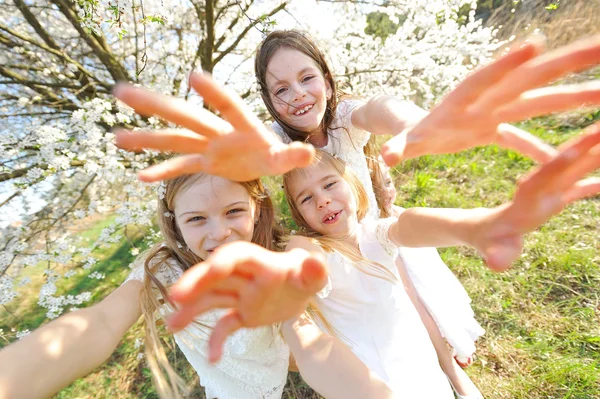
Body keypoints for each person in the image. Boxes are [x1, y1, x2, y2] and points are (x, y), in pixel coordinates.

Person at [166, 134, 600, 397]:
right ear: (299, 215)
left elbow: (413, 226)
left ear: (353, 187)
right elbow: (304, 260)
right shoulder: (312, 247)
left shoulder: (380, 235)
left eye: (329, 184)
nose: (323, 200)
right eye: (306, 198)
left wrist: (480, 225)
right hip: (373, 383)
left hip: (419, 367)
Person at [0, 173, 394, 399]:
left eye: (234, 212)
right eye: (197, 220)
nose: (219, 233)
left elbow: (308, 341)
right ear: (175, 225)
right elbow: (100, 323)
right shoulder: (165, 272)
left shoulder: (276, 253)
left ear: (257, 207)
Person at [113, 33, 600, 194]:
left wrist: (416, 125)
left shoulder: (347, 113)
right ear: (266, 99)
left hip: (385, 224)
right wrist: (247, 166)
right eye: (280, 89)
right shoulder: (273, 140)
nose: (298, 96)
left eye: (307, 78)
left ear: (326, 79)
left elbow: (381, 110)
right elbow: (259, 159)